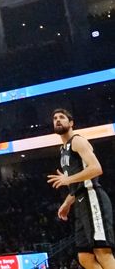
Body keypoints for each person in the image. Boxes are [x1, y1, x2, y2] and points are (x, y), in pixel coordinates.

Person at [48, 108, 115, 269]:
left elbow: (96, 169)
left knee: (102, 252)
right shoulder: (63, 150)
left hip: (93, 197)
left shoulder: (77, 141)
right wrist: (67, 203)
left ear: (71, 123)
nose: (57, 120)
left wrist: (67, 179)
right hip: (80, 200)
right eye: (55, 118)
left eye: (62, 117)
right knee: (84, 257)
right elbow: (77, 182)